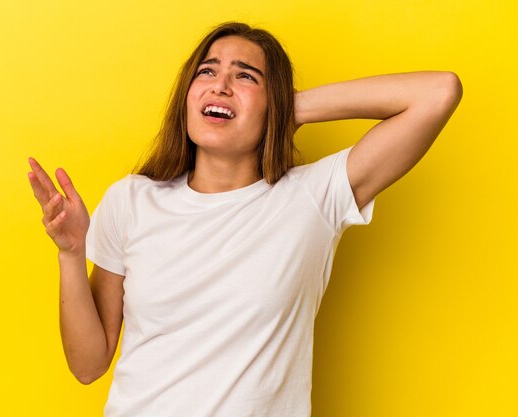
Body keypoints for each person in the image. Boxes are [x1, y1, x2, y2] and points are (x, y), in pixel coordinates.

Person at [28, 21, 462, 417]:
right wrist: (71, 254)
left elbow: (438, 92)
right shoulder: (132, 200)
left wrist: (290, 107)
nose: (220, 85)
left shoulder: (312, 198)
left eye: (245, 76)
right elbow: (88, 365)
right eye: (207, 71)